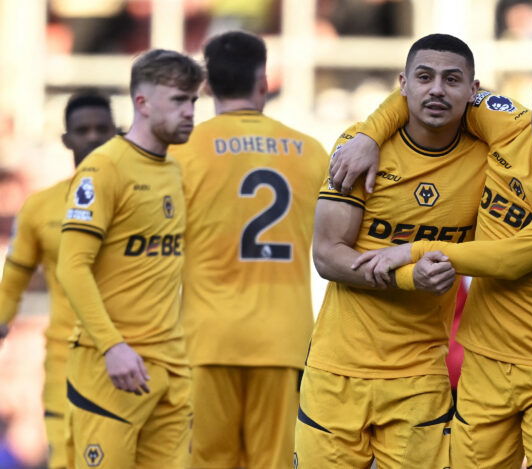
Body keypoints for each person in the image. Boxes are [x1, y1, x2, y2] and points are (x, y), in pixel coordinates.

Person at [351, 50, 532, 468]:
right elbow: (427, 91)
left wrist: (411, 251)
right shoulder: (506, 122)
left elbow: (510, 259)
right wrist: (369, 136)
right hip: (484, 363)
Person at [294, 33, 490, 468]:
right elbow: (327, 255)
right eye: (424, 77)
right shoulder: (361, 148)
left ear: (474, 90)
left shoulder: (490, 160)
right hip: (336, 371)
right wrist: (408, 276)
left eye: (452, 79)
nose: (436, 89)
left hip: (420, 377)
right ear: (403, 84)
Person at [168, 31, 329, 469]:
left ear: (205, 86)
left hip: (206, 339)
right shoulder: (311, 152)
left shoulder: (182, 153)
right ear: (264, 81)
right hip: (283, 339)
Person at [56, 49, 203, 468]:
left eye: (193, 100)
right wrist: (112, 346)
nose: (190, 111)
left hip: (171, 368)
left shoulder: (173, 171)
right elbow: (72, 266)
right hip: (112, 369)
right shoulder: (104, 169)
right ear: (142, 102)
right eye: (178, 100)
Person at [0, 92, 116, 469]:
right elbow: (14, 281)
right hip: (66, 361)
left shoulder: (148, 198)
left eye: (102, 129)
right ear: (67, 138)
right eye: (83, 130)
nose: (93, 137)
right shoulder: (42, 207)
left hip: (137, 359)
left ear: (116, 132)